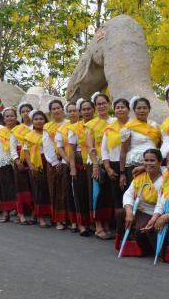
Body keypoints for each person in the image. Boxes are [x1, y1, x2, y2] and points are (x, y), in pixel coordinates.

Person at [115, 149, 163, 256]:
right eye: (146, 160)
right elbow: (128, 195)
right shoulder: (140, 177)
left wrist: (154, 218)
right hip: (139, 210)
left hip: (154, 214)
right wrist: (129, 213)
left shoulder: (165, 179)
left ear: (160, 162)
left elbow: (161, 203)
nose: (148, 163)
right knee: (120, 213)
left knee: (139, 229)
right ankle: (127, 248)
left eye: (152, 160)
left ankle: (146, 249)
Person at [86, 92, 116, 239]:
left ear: (109, 104)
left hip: (111, 161)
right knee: (97, 194)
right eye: (99, 104)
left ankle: (106, 224)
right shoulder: (90, 124)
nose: (102, 106)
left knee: (108, 195)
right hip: (96, 162)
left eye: (104, 103)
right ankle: (98, 226)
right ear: (95, 107)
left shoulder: (115, 122)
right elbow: (90, 146)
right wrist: (96, 165)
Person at [119, 97, 161, 192]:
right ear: (134, 110)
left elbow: (158, 146)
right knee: (137, 192)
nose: (142, 110)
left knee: (153, 191)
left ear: (149, 109)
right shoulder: (128, 127)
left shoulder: (155, 126)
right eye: (139, 108)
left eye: (144, 108)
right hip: (134, 164)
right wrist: (122, 173)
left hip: (153, 164)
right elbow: (123, 151)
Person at [68, 99, 95, 237]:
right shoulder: (74, 128)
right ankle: (82, 224)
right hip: (79, 161)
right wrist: (72, 168)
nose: (86, 112)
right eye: (83, 109)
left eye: (89, 108)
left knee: (92, 193)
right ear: (80, 112)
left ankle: (92, 222)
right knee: (80, 193)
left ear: (93, 109)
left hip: (94, 161)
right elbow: (71, 150)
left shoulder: (98, 124)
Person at [43, 99, 67, 230]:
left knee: (67, 191)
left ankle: (68, 219)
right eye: (54, 109)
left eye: (59, 108)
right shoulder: (48, 127)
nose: (56, 110)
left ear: (63, 109)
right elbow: (47, 146)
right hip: (53, 163)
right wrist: (55, 162)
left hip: (68, 162)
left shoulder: (68, 124)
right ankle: (58, 220)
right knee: (55, 191)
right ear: (51, 112)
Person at [24, 110, 52, 228]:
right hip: (36, 163)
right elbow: (26, 151)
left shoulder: (49, 133)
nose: (39, 121)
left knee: (49, 189)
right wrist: (31, 166)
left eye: (41, 119)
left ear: (45, 120)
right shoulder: (29, 135)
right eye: (36, 119)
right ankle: (40, 217)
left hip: (49, 161)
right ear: (33, 121)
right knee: (38, 190)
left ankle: (51, 215)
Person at [55, 102, 80, 231]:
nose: (72, 113)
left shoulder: (84, 125)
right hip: (67, 163)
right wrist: (68, 160)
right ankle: (73, 221)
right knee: (69, 193)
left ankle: (84, 221)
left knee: (81, 193)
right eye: (70, 111)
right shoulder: (62, 129)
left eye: (75, 110)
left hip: (82, 163)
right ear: (67, 113)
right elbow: (59, 147)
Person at [102, 98, 130, 212]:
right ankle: (120, 225)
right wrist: (108, 168)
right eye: (117, 107)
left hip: (130, 164)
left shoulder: (134, 125)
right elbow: (104, 150)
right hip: (114, 165)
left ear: (128, 109)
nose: (120, 109)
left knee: (130, 195)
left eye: (122, 107)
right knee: (116, 195)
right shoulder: (109, 128)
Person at [10, 103, 34, 225]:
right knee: (21, 188)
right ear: (20, 114)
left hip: (35, 159)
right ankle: (21, 215)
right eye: (23, 111)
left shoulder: (37, 126)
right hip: (20, 159)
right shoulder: (16, 130)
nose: (26, 113)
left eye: (28, 111)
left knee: (34, 187)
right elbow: (12, 147)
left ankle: (35, 214)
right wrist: (17, 161)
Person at [0, 108, 18, 223]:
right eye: (7, 116)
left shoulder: (21, 131)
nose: (9, 118)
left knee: (17, 187)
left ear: (16, 117)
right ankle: (5, 212)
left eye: (12, 116)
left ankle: (19, 211)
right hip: (3, 161)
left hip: (17, 162)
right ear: (3, 119)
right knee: (4, 188)